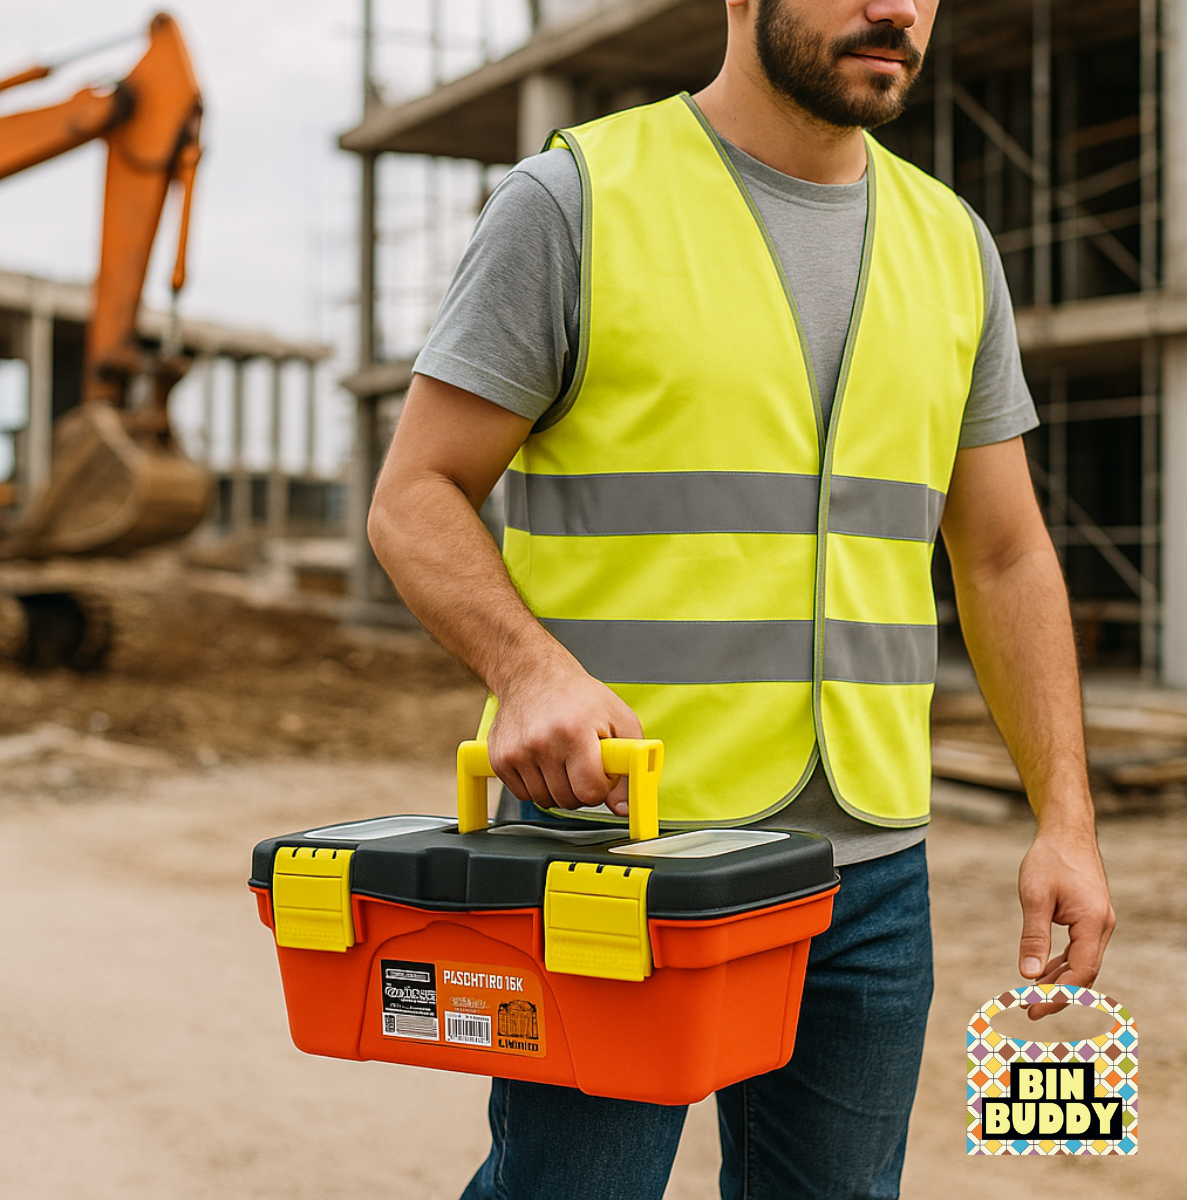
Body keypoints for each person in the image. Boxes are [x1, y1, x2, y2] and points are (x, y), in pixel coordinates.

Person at [367, 0, 1116, 1195]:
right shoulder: (577, 201)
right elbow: (415, 495)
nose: (895, 9)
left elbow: (1006, 555)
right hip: (618, 854)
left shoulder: (951, 240)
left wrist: (1065, 821)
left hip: (866, 877)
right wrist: (530, 669)